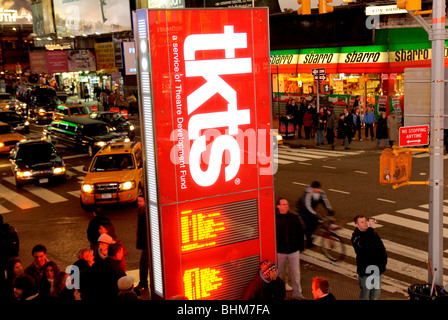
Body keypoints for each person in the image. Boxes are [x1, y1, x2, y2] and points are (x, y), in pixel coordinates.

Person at [351, 215, 388, 300]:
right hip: (366, 271)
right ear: (357, 225)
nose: (365, 223)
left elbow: (381, 247)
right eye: (362, 222)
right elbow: (365, 245)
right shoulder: (356, 237)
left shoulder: (372, 233)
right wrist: (371, 229)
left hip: (376, 269)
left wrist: (383, 263)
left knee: (375, 294)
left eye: (365, 221)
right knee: (366, 296)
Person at [275, 198, 305, 300]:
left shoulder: (294, 218)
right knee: (279, 275)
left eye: (287, 204)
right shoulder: (275, 219)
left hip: (293, 251)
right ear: (278, 206)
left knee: (295, 274)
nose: (286, 206)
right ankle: (279, 295)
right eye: (283, 204)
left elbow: (300, 233)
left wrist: (300, 247)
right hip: (280, 251)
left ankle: (297, 294)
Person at [297, 181, 333, 248]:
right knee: (309, 225)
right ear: (312, 188)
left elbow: (325, 201)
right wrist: (314, 214)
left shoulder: (321, 193)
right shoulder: (308, 194)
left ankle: (309, 236)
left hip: (311, 210)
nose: (317, 190)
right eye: (315, 188)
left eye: (318, 188)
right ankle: (308, 240)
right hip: (303, 210)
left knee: (315, 224)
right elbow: (307, 206)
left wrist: (330, 209)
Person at [135, 194, 150, 298]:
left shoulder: (146, 213)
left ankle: (143, 282)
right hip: (146, 243)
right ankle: (143, 282)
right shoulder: (142, 211)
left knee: (144, 263)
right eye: (138, 201)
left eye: (141, 201)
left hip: (147, 244)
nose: (138, 203)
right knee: (145, 263)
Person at [0, 215, 19, 286]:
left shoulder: (9, 231)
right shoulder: (10, 230)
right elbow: (16, 242)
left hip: (4, 259)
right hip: (10, 257)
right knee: (11, 275)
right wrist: (16, 254)